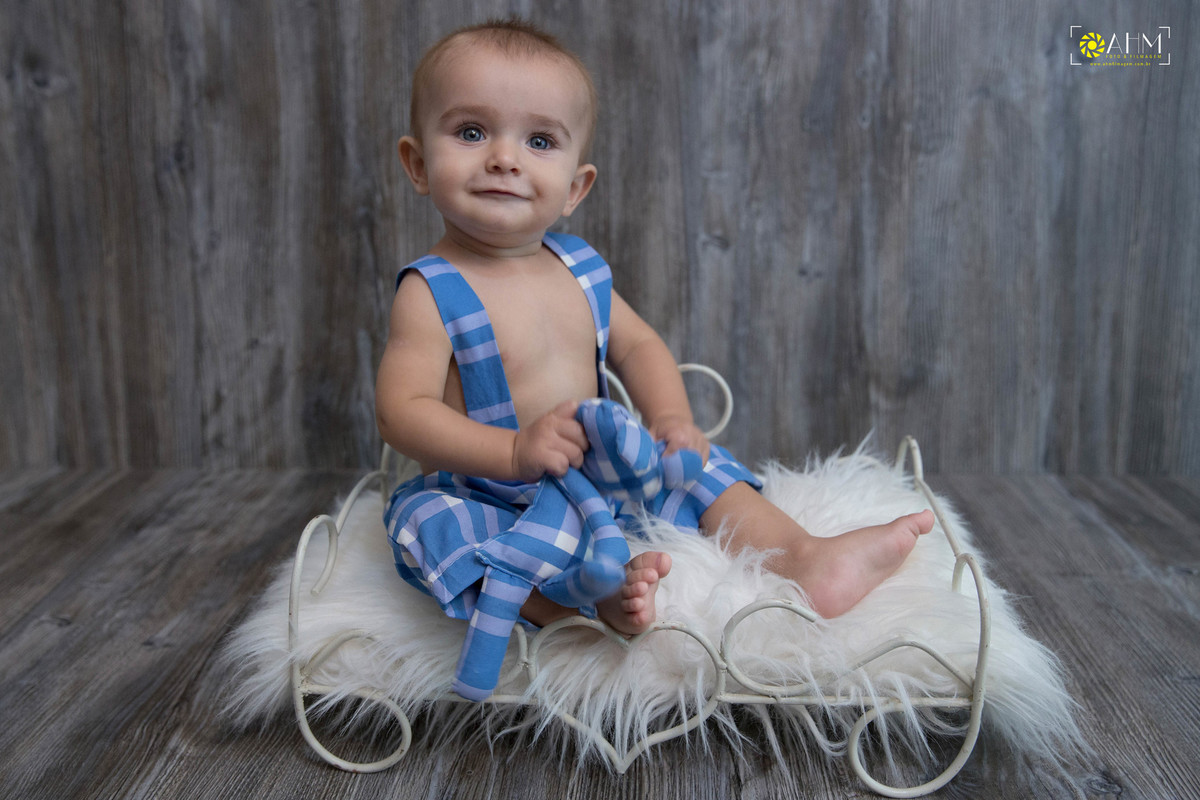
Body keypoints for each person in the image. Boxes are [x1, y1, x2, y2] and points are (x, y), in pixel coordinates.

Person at [375, 19, 933, 644]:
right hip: (490, 492)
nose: (505, 158)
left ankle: (803, 557)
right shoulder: (431, 290)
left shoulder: (580, 269)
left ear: (575, 188)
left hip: (599, 476)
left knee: (698, 468)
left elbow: (638, 345)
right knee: (427, 523)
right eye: (471, 132)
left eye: (539, 140)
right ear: (418, 164)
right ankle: (568, 611)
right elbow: (402, 412)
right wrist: (511, 453)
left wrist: (671, 421)